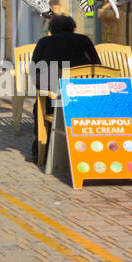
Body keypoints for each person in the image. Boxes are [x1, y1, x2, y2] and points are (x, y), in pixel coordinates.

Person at [28, 15, 101, 162]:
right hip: (83, 100)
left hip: (55, 101)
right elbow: (97, 66)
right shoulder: (84, 40)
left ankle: (41, 150)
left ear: (51, 29)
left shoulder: (44, 42)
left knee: (40, 105)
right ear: (72, 27)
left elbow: (34, 71)